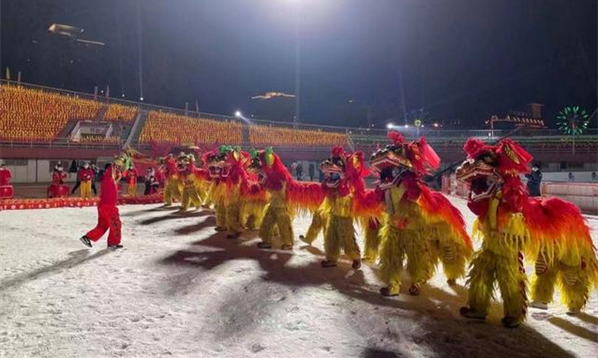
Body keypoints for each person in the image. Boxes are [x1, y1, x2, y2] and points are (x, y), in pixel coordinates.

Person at [79, 163, 123, 249]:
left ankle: (87, 237)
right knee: (115, 224)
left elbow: (118, 176)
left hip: (103, 206)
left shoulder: (109, 180)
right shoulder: (108, 177)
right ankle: (113, 243)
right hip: (109, 207)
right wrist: (117, 162)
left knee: (103, 226)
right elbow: (112, 168)